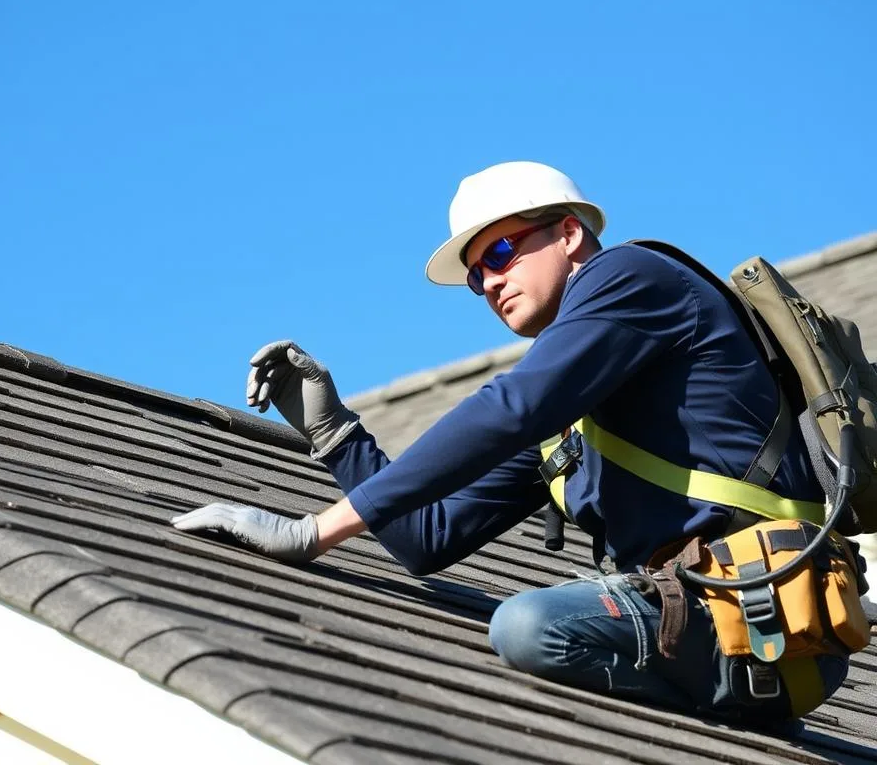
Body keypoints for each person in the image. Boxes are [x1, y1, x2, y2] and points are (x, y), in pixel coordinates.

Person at [171, 161, 850, 724]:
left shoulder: (634, 277)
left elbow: (510, 409)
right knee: (533, 625)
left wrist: (312, 532)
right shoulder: (571, 420)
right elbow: (426, 540)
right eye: (475, 276)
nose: (490, 280)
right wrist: (334, 433)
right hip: (709, 623)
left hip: (763, 614)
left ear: (569, 233)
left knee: (527, 626)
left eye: (500, 251)